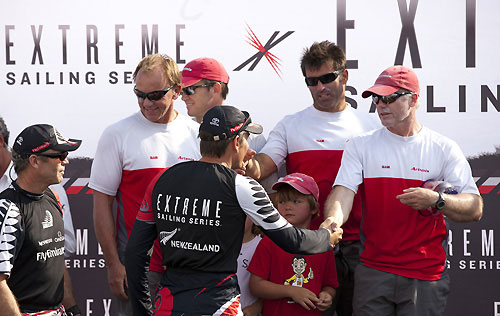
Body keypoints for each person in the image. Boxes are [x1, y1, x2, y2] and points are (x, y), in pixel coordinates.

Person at [125, 106, 341, 316]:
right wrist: (326, 237)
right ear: (237, 142)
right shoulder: (242, 185)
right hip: (219, 306)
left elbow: (135, 254)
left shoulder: (161, 180)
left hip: (169, 305)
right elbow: (293, 240)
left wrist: (143, 310)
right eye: (248, 140)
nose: (252, 151)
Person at [321, 65, 483, 316]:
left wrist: (438, 200)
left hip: (425, 274)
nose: (381, 105)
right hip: (373, 270)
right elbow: (343, 192)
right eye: (377, 98)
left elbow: (475, 207)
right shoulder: (361, 146)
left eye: (390, 98)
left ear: (414, 99)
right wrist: (332, 219)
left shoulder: (443, 147)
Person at [245, 41, 377, 315]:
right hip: (306, 243)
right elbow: (264, 166)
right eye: (311, 81)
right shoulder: (291, 124)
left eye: (327, 78)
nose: (320, 87)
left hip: (359, 244)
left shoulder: (370, 127)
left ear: (344, 76)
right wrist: (241, 163)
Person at [89, 54, 201, 316]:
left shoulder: (196, 133)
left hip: (189, 267)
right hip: (139, 267)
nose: (146, 103)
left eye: (155, 95)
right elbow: (101, 203)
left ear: (176, 91)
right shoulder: (117, 133)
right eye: (140, 94)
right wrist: (114, 265)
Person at [0, 124, 81, 315]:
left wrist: (72, 308)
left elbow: (55, 259)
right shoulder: (8, 209)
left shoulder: (53, 197)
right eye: (60, 156)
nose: (65, 162)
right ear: (35, 161)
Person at [249, 173, 338, 315]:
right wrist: (291, 291)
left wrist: (327, 296)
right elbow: (255, 285)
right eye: (282, 201)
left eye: (296, 201)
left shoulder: (323, 244)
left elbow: (330, 285)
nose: (287, 207)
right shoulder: (270, 241)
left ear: (314, 208)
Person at [236, 217, 263, 316]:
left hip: (246, 311)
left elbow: (272, 281)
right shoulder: (216, 244)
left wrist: (258, 306)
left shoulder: (262, 245)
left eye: (243, 214)